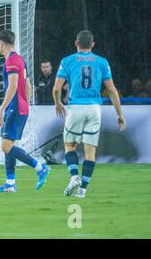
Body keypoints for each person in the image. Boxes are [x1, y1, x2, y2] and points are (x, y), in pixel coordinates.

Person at [53, 30, 126, 198]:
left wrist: (58, 103)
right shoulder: (102, 62)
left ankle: (74, 177)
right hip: (94, 109)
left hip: (75, 107)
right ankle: (82, 190)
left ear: (76, 43)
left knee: (69, 146)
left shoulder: (67, 61)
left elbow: (57, 88)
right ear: (93, 44)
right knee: (90, 153)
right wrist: (120, 114)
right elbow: (112, 90)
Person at [0, 30, 49, 193]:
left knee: (6, 146)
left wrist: (2, 109)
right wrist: (26, 104)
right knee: (9, 143)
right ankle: (10, 183)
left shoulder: (11, 61)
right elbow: (28, 84)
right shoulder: (20, 59)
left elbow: (13, 86)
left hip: (14, 108)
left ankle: (40, 167)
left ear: (1, 43)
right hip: (20, 106)